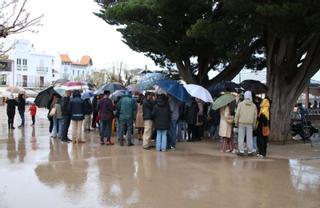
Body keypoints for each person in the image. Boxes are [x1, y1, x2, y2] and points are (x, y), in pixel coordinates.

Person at [234, 91, 257, 156]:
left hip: (241, 123)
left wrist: (236, 122)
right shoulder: (254, 105)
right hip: (250, 124)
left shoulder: (240, 104)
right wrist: (254, 124)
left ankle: (241, 151)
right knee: (249, 138)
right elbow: (255, 117)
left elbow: (237, 114)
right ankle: (250, 151)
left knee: (241, 137)